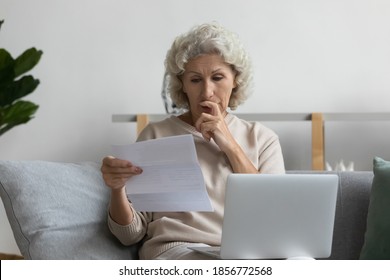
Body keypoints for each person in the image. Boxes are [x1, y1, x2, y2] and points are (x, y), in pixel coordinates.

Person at [101, 22, 285, 260]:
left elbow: (273, 216)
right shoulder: (155, 135)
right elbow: (130, 235)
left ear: (235, 80)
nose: (207, 91)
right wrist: (117, 190)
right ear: (183, 85)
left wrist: (228, 143)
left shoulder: (263, 139)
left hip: (245, 255)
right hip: (177, 252)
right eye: (195, 80)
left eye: (218, 77)